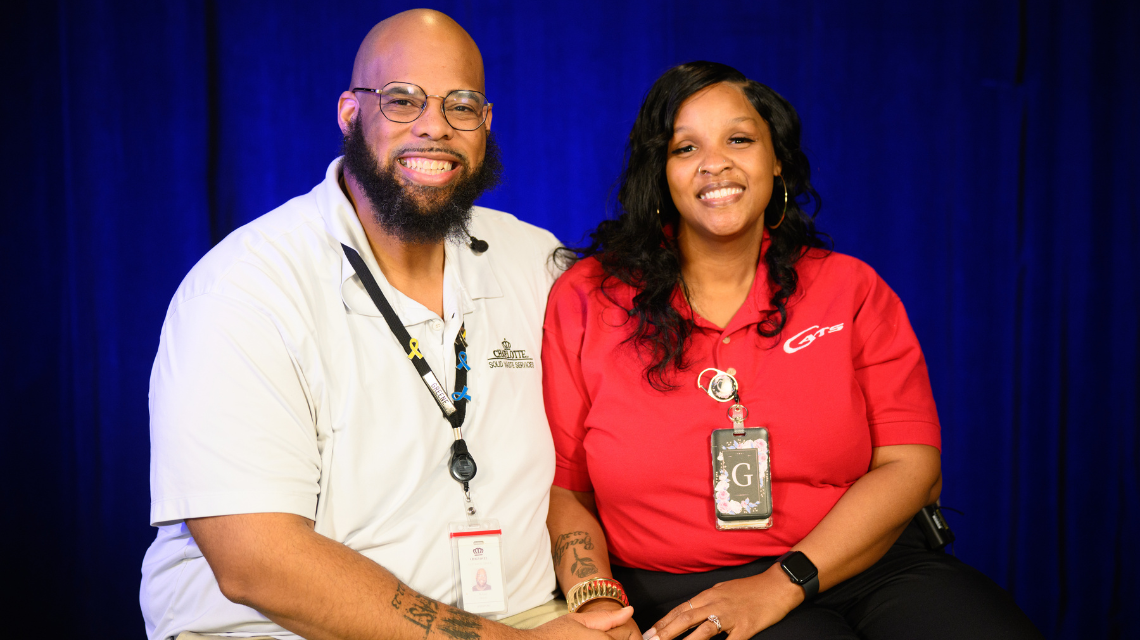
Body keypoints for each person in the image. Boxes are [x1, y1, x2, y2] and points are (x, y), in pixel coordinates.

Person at [140, 10, 632, 640]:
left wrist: (594, 602)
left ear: (485, 124)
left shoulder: (536, 263)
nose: (435, 126)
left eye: (461, 105)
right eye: (402, 100)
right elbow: (255, 563)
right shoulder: (243, 289)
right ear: (350, 113)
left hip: (526, 615)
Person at [541, 61, 1042, 639]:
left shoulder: (849, 288)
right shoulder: (588, 298)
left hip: (863, 565)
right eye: (685, 147)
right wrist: (598, 599)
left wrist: (781, 584)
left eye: (739, 139)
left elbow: (912, 465)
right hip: (683, 587)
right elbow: (565, 489)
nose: (715, 163)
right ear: (661, 172)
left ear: (775, 159)